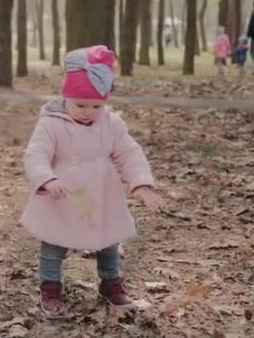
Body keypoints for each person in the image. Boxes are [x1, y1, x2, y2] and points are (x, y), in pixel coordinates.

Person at [20, 45, 164, 314]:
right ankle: (50, 287)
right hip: (62, 195)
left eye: (96, 105)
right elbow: (36, 153)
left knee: (108, 240)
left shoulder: (111, 124)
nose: (88, 112)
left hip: (100, 194)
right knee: (54, 242)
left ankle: (111, 283)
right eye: (80, 105)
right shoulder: (52, 123)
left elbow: (129, 153)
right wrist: (46, 178)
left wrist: (141, 184)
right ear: (66, 98)